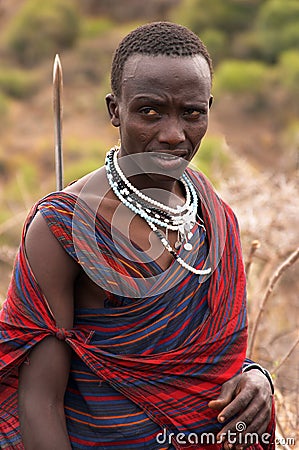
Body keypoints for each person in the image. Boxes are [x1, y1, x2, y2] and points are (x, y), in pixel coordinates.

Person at [0, 22, 275, 450]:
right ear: (115, 110)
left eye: (192, 113)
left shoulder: (213, 213)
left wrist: (258, 377)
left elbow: (212, 357)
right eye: (150, 111)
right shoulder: (62, 229)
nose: (173, 134)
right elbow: (40, 401)